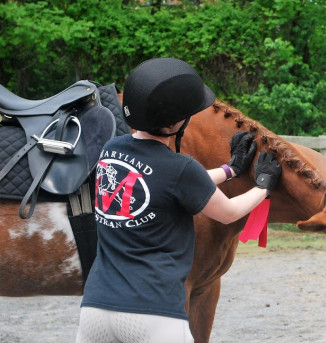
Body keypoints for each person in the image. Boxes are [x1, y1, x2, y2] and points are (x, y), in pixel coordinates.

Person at [76, 57, 282, 343]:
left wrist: (230, 170)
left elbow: (167, 184)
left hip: (96, 310)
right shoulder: (180, 167)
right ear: (175, 123)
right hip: (153, 313)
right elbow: (229, 212)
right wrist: (263, 186)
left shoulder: (111, 151)